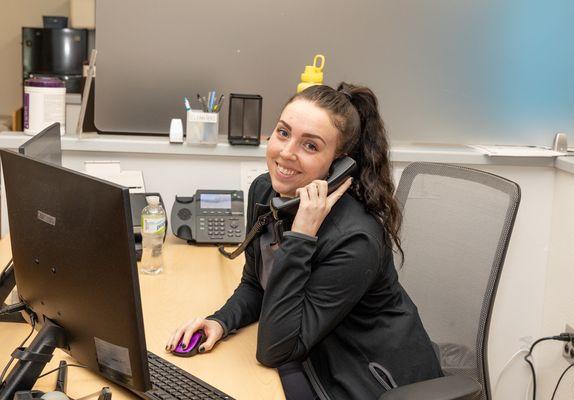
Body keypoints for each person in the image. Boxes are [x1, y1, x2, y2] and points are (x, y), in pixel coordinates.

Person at [166, 83, 442, 399]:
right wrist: (220, 322)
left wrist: (301, 236)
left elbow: (274, 350)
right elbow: (258, 286)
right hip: (316, 357)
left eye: (310, 146)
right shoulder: (265, 193)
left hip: (370, 380)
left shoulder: (356, 238)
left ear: (339, 163)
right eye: (283, 133)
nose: (286, 152)